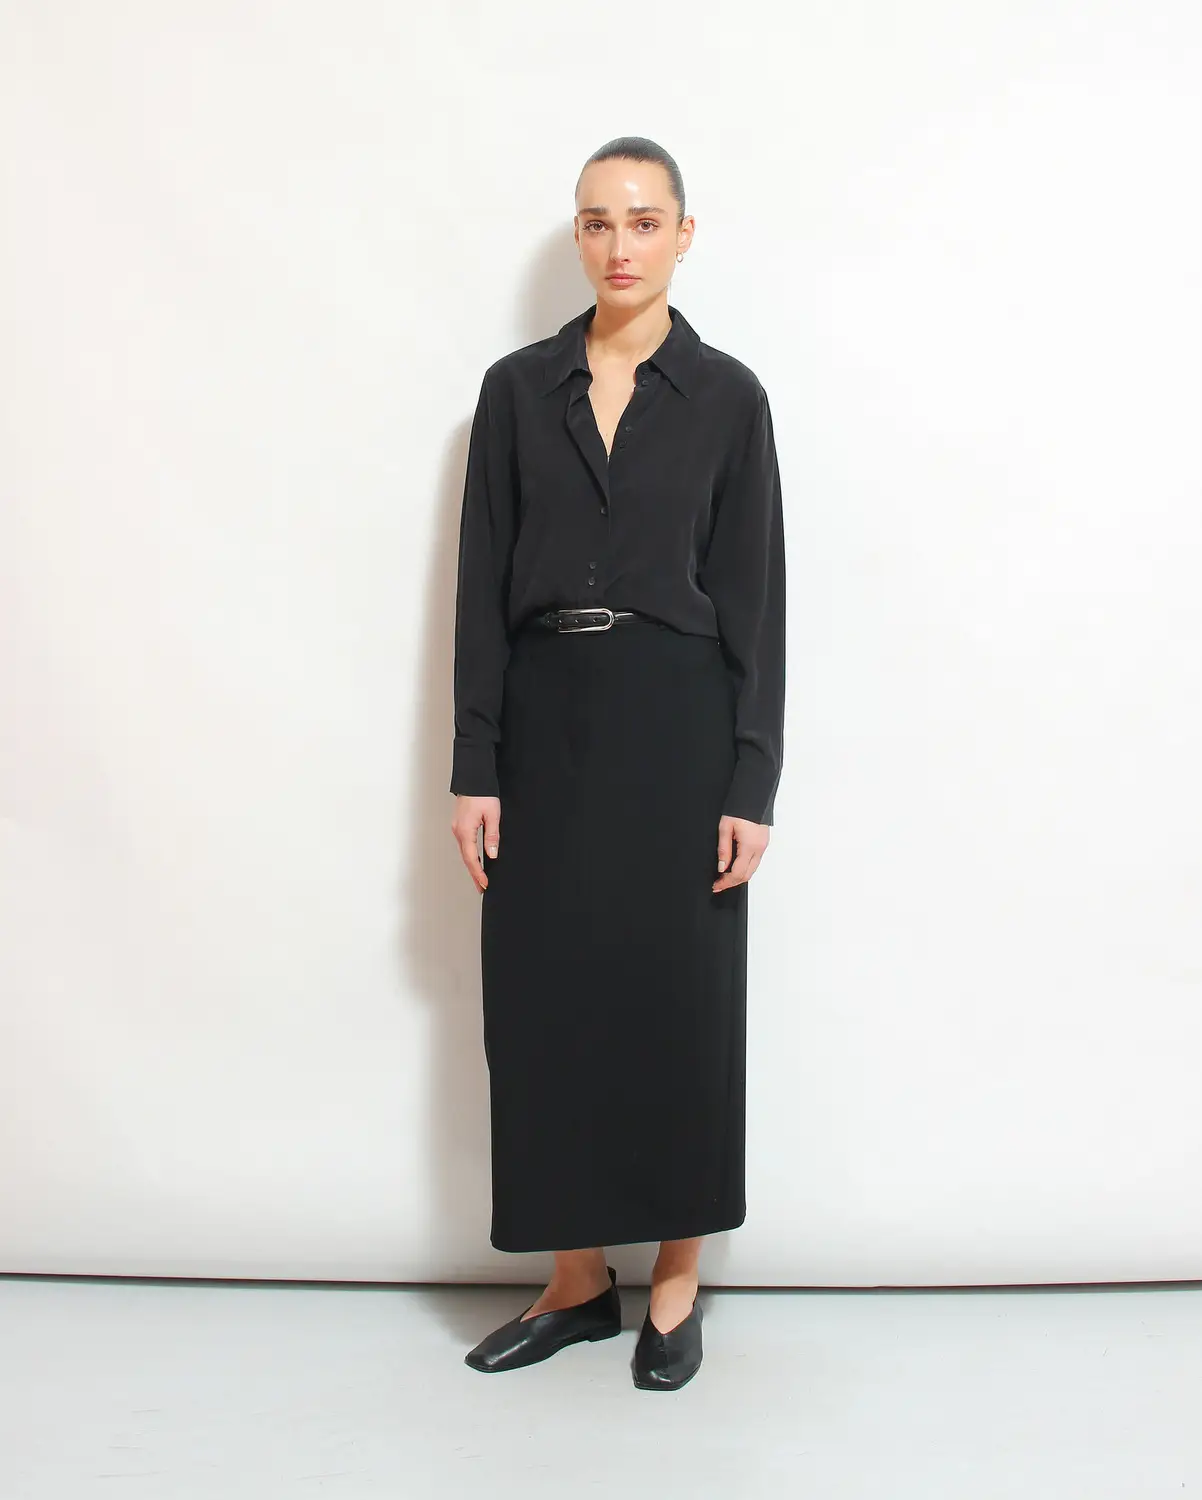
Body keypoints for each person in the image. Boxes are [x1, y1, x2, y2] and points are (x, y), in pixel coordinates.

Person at [448, 136, 786, 1391]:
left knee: (678, 996)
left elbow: (755, 603)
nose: (618, 244)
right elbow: (479, 586)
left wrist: (749, 781)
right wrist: (474, 761)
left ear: (683, 235)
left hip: (675, 720)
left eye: (643, 221)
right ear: (577, 237)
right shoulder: (513, 392)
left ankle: (675, 1284)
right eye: (596, 222)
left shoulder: (729, 399)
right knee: (542, 999)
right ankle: (578, 1281)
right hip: (542, 717)